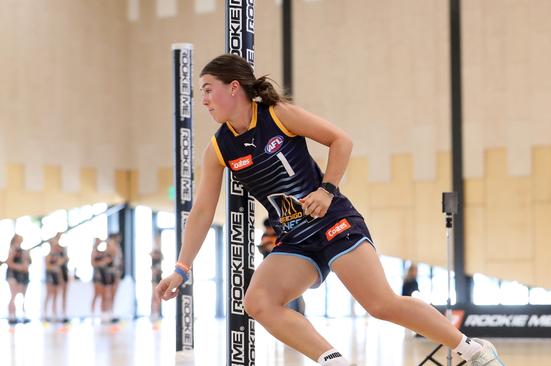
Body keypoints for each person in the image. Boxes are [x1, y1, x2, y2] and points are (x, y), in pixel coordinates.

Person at [156, 54, 505, 366]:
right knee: (258, 302)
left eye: (207, 90)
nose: (202, 100)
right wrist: (181, 269)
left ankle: (472, 349)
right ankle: (333, 361)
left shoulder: (278, 116)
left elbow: (341, 140)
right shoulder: (218, 148)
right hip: (295, 240)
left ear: (233, 88)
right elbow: (202, 212)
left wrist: (327, 190)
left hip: (333, 221)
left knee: (380, 304)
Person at [257, 218, 305, 315]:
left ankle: (298, 314)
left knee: (293, 295)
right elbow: (264, 249)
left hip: (286, 270)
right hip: (271, 270)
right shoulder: (265, 236)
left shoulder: (280, 234)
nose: (269, 231)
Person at [5, 234, 31, 325]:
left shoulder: (24, 251)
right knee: (13, 295)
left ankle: (22, 315)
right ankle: (11, 316)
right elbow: (9, 262)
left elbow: (28, 263)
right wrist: (20, 267)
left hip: (22, 276)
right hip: (13, 275)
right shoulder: (12, 250)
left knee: (23, 296)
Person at [150, 233, 164, 321]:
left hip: (159, 276)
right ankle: (153, 313)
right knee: (154, 295)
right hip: (155, 278)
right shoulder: (154, 252)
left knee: (158, 295)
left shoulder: (159, 252)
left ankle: (157, 313)